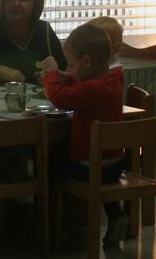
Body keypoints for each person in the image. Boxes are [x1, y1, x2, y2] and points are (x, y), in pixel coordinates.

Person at [43, 23, 128, 244]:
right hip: (115, 164)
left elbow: (59, 98)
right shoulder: (114, 77)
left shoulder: (92, 89)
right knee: (96, 170)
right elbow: (89, 83)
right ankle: (115, 214)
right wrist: (69, 77)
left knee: (50, 160)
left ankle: (55, 222)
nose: (71, 68)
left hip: (87, 166)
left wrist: (52, 74)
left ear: (87, 61)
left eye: (73, 64)